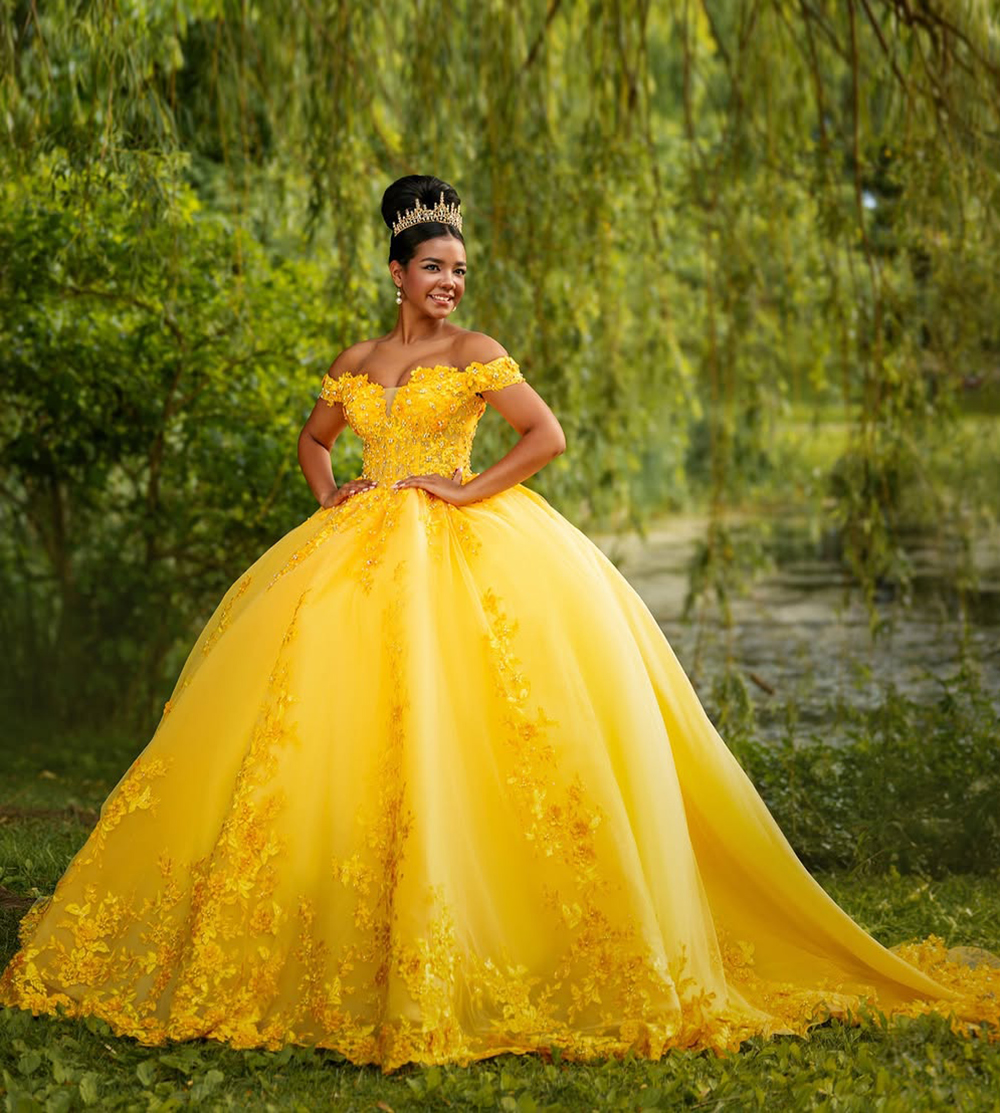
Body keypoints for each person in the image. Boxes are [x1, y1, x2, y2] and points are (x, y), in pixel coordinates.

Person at [1, 174, 996, 1074]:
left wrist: (467, 489)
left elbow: (545, 434)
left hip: (461, 542)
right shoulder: (356, 359)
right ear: (395, 271)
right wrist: (330, 494)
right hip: (354, 554)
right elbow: (311, 441)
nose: (450, 282)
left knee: (474, 721)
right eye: (433, 267)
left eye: (461, 269)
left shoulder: (476, 356)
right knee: (323, 730)